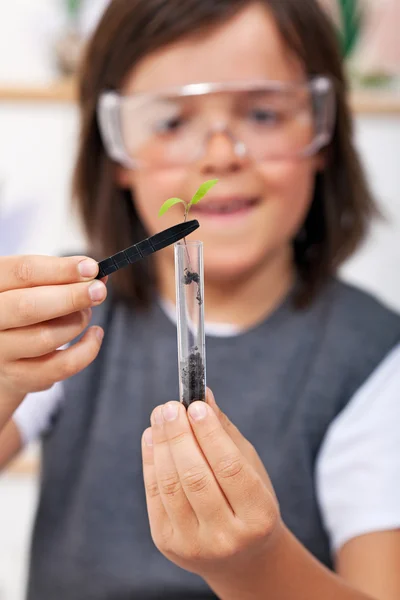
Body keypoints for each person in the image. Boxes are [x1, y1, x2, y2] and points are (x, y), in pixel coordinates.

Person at [0, 0, 399, 598]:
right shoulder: (64, 319)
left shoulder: (373, 357)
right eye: (170, 122)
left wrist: (257, 563)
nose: (220, 154)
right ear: (116, 157)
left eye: (263, 113)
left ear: (322, 136)